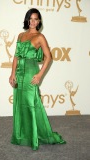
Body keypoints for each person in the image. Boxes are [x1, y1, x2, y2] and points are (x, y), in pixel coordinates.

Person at [9, 8, 66, 150]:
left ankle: (34, 137)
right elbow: (16, 56)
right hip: (19, 73)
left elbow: (49, 57)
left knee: (30, 104)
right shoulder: (21, 35)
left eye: (36, 19)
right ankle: (21, 135)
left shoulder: (40, 37)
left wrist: (40, 74)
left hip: (30, 72)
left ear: (39, 21)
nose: (33, 22)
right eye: (31, 18)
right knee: (19, 103)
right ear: (27, 19)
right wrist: (12, 73)